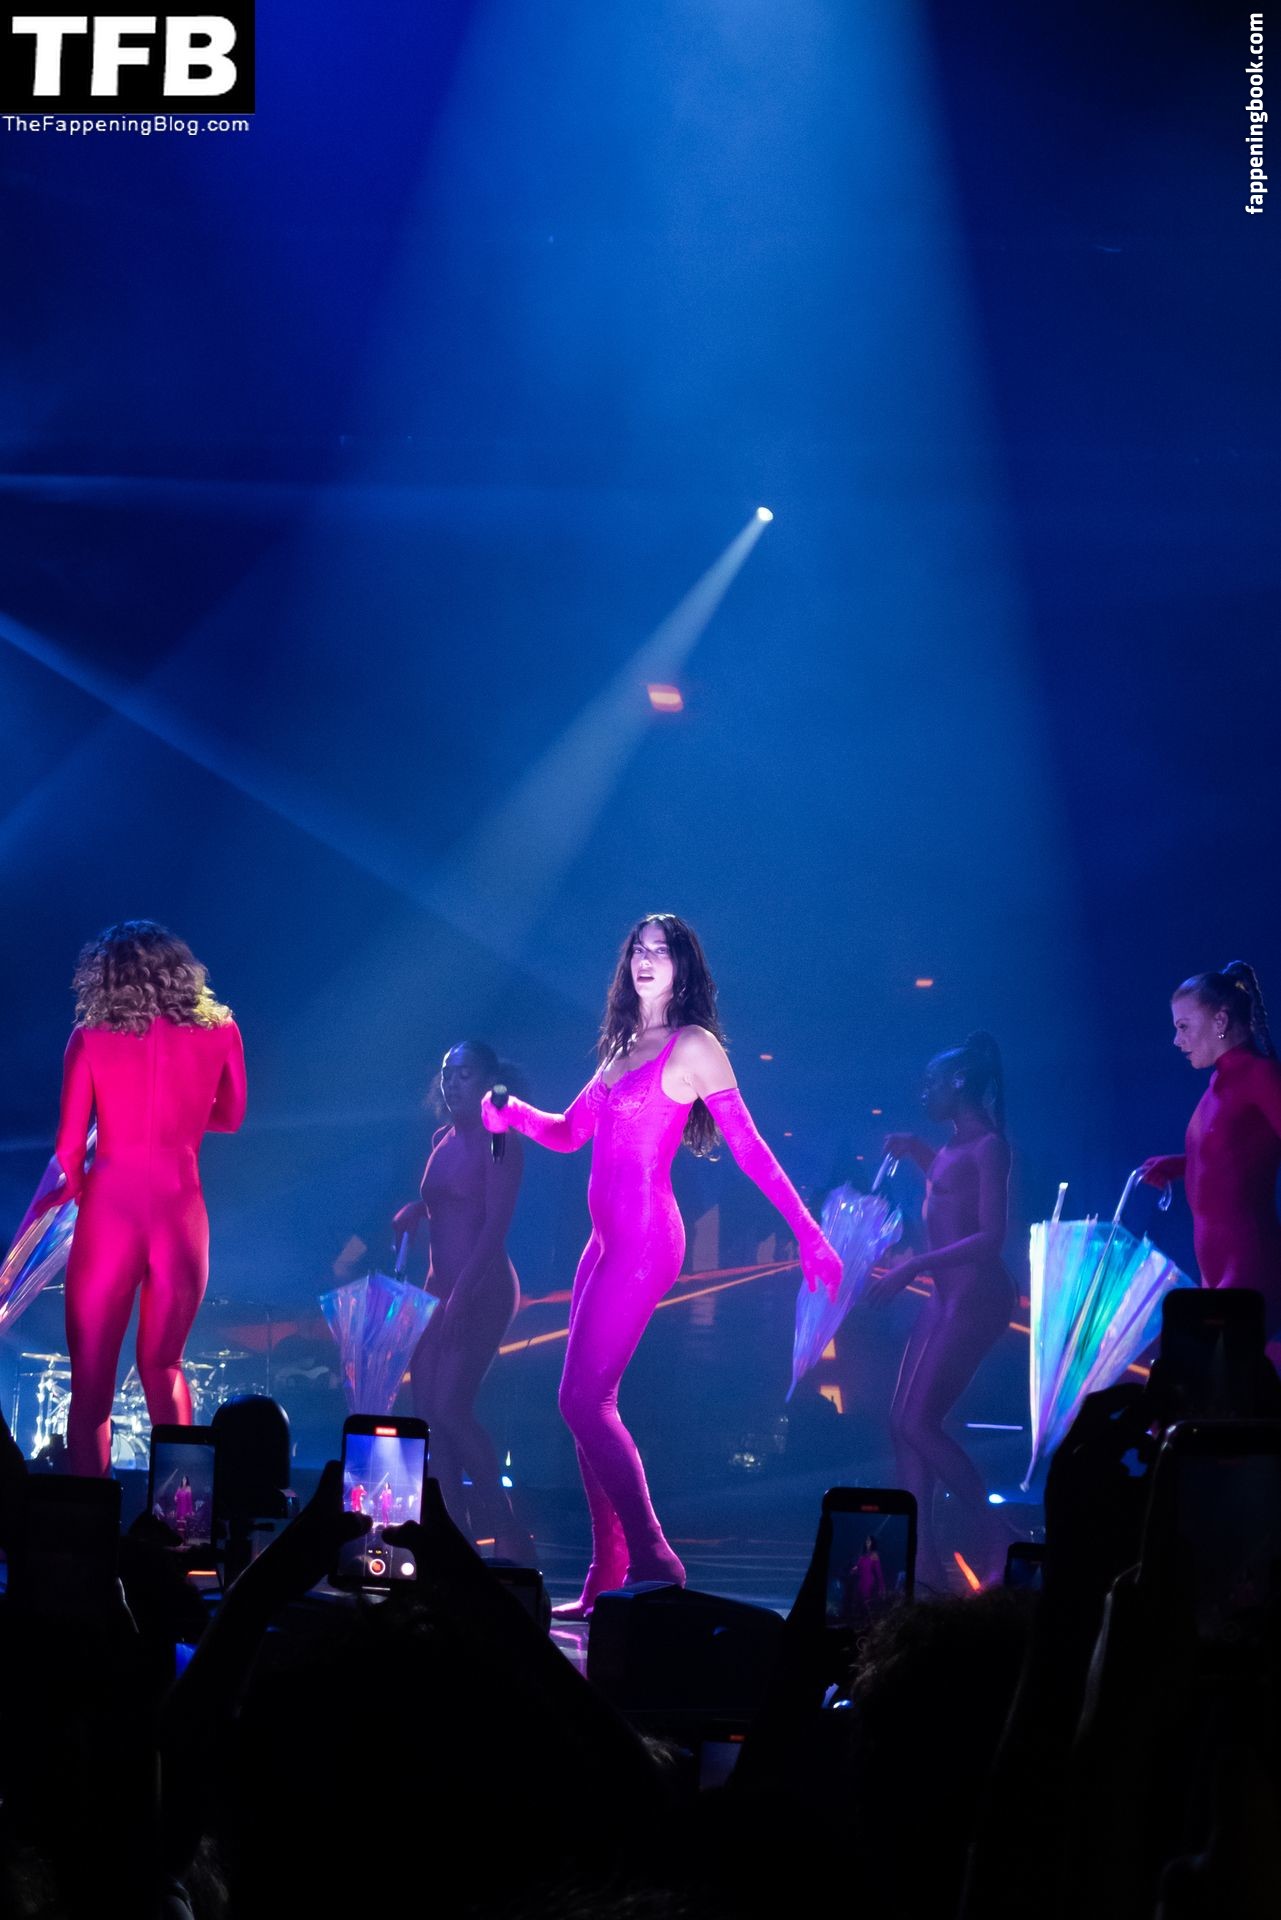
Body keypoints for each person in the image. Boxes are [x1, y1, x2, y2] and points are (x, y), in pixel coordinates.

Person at [482, 912, 842, 1616]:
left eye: (661, 952)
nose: (645, 961)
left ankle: (652, 1557)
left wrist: (809, 1233)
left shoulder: (693, 1045)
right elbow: (569, 1132)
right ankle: (607, 1572)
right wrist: (511, 1112)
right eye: (637, 951)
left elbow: (749, 1148)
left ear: (683, 968)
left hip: (646, 1241)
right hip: (604, 1242)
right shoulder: (621, 1047)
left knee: (583, 1402)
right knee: (585, 1406)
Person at [46, 921, 246, 1476]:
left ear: (105, 976)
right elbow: (231, 1116)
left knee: (92, 1383)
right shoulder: (223, 1031)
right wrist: (182, 1119)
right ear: (181, 971)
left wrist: (78, 1190)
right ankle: (182, 1513)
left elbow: (68, 1150)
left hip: (110, 1216)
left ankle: (90, 1516)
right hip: (182, 1217)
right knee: (165, 1366)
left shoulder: (89, 1038)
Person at [868, 1031, 1014, 1586]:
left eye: (932, 1082)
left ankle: (1000, 1535)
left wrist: (914, 1265)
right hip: (947, 1295)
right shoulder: (956, 1144)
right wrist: (917, 1151)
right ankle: (921, 1561)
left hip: (977, 1296)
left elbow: (990, 1236)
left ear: (959, 1082)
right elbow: (951, 1190)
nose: (923, 1092)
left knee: (918, 1422)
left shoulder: (989, 1146)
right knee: (901, 1423)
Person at [392, 1041, 530, 1560]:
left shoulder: (500, 1141)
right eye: (447, 1074)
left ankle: (510, 1535)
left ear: (489, 1081)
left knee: (451, 1408)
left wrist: (462, 1295)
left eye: (464, 1074)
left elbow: (493, 1226)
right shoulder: (441, 1138)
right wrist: (418, 1211)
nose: (452, 1083)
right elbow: (451, 1201)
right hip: (439, 1289)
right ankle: (456, 1543)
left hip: (482, 1287)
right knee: (428, 1415)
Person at [1140, 960, 1281, 1334]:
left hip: (1250, 1264)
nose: (1177, 1040)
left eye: (1183, 1027)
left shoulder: (1259, 1075)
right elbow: (1233, 1157)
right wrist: (1180, 1165)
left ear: (1220, 1021)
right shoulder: (1218, 1083)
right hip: (1214, 1271)